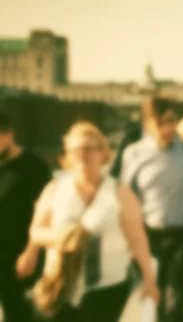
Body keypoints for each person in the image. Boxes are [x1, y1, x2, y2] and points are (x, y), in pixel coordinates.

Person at [16, 121, 159, 322]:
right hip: (60, 285)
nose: (83, 154)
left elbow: (137, 240)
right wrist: (60, 238)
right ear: (67, 155)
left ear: (103, 153)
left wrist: (149, 282)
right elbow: (36, 231)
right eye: (76, 149)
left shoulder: (119, 192)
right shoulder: (56, 189)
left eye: (90, 148)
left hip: (106, 287)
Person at [120, 96, 183, 322]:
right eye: (160, 123)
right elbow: (124, 197)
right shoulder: (134, 153)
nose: (167, 128)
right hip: (148, 237)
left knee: (177, 302)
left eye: (171, 121)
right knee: (152, 301)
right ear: (147, 125)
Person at [0, 110, 52, 322]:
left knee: (18, 315)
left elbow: (48, 216)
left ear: (10, 134)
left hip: (18, 259)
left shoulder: (34, 167)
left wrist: (32, 253)